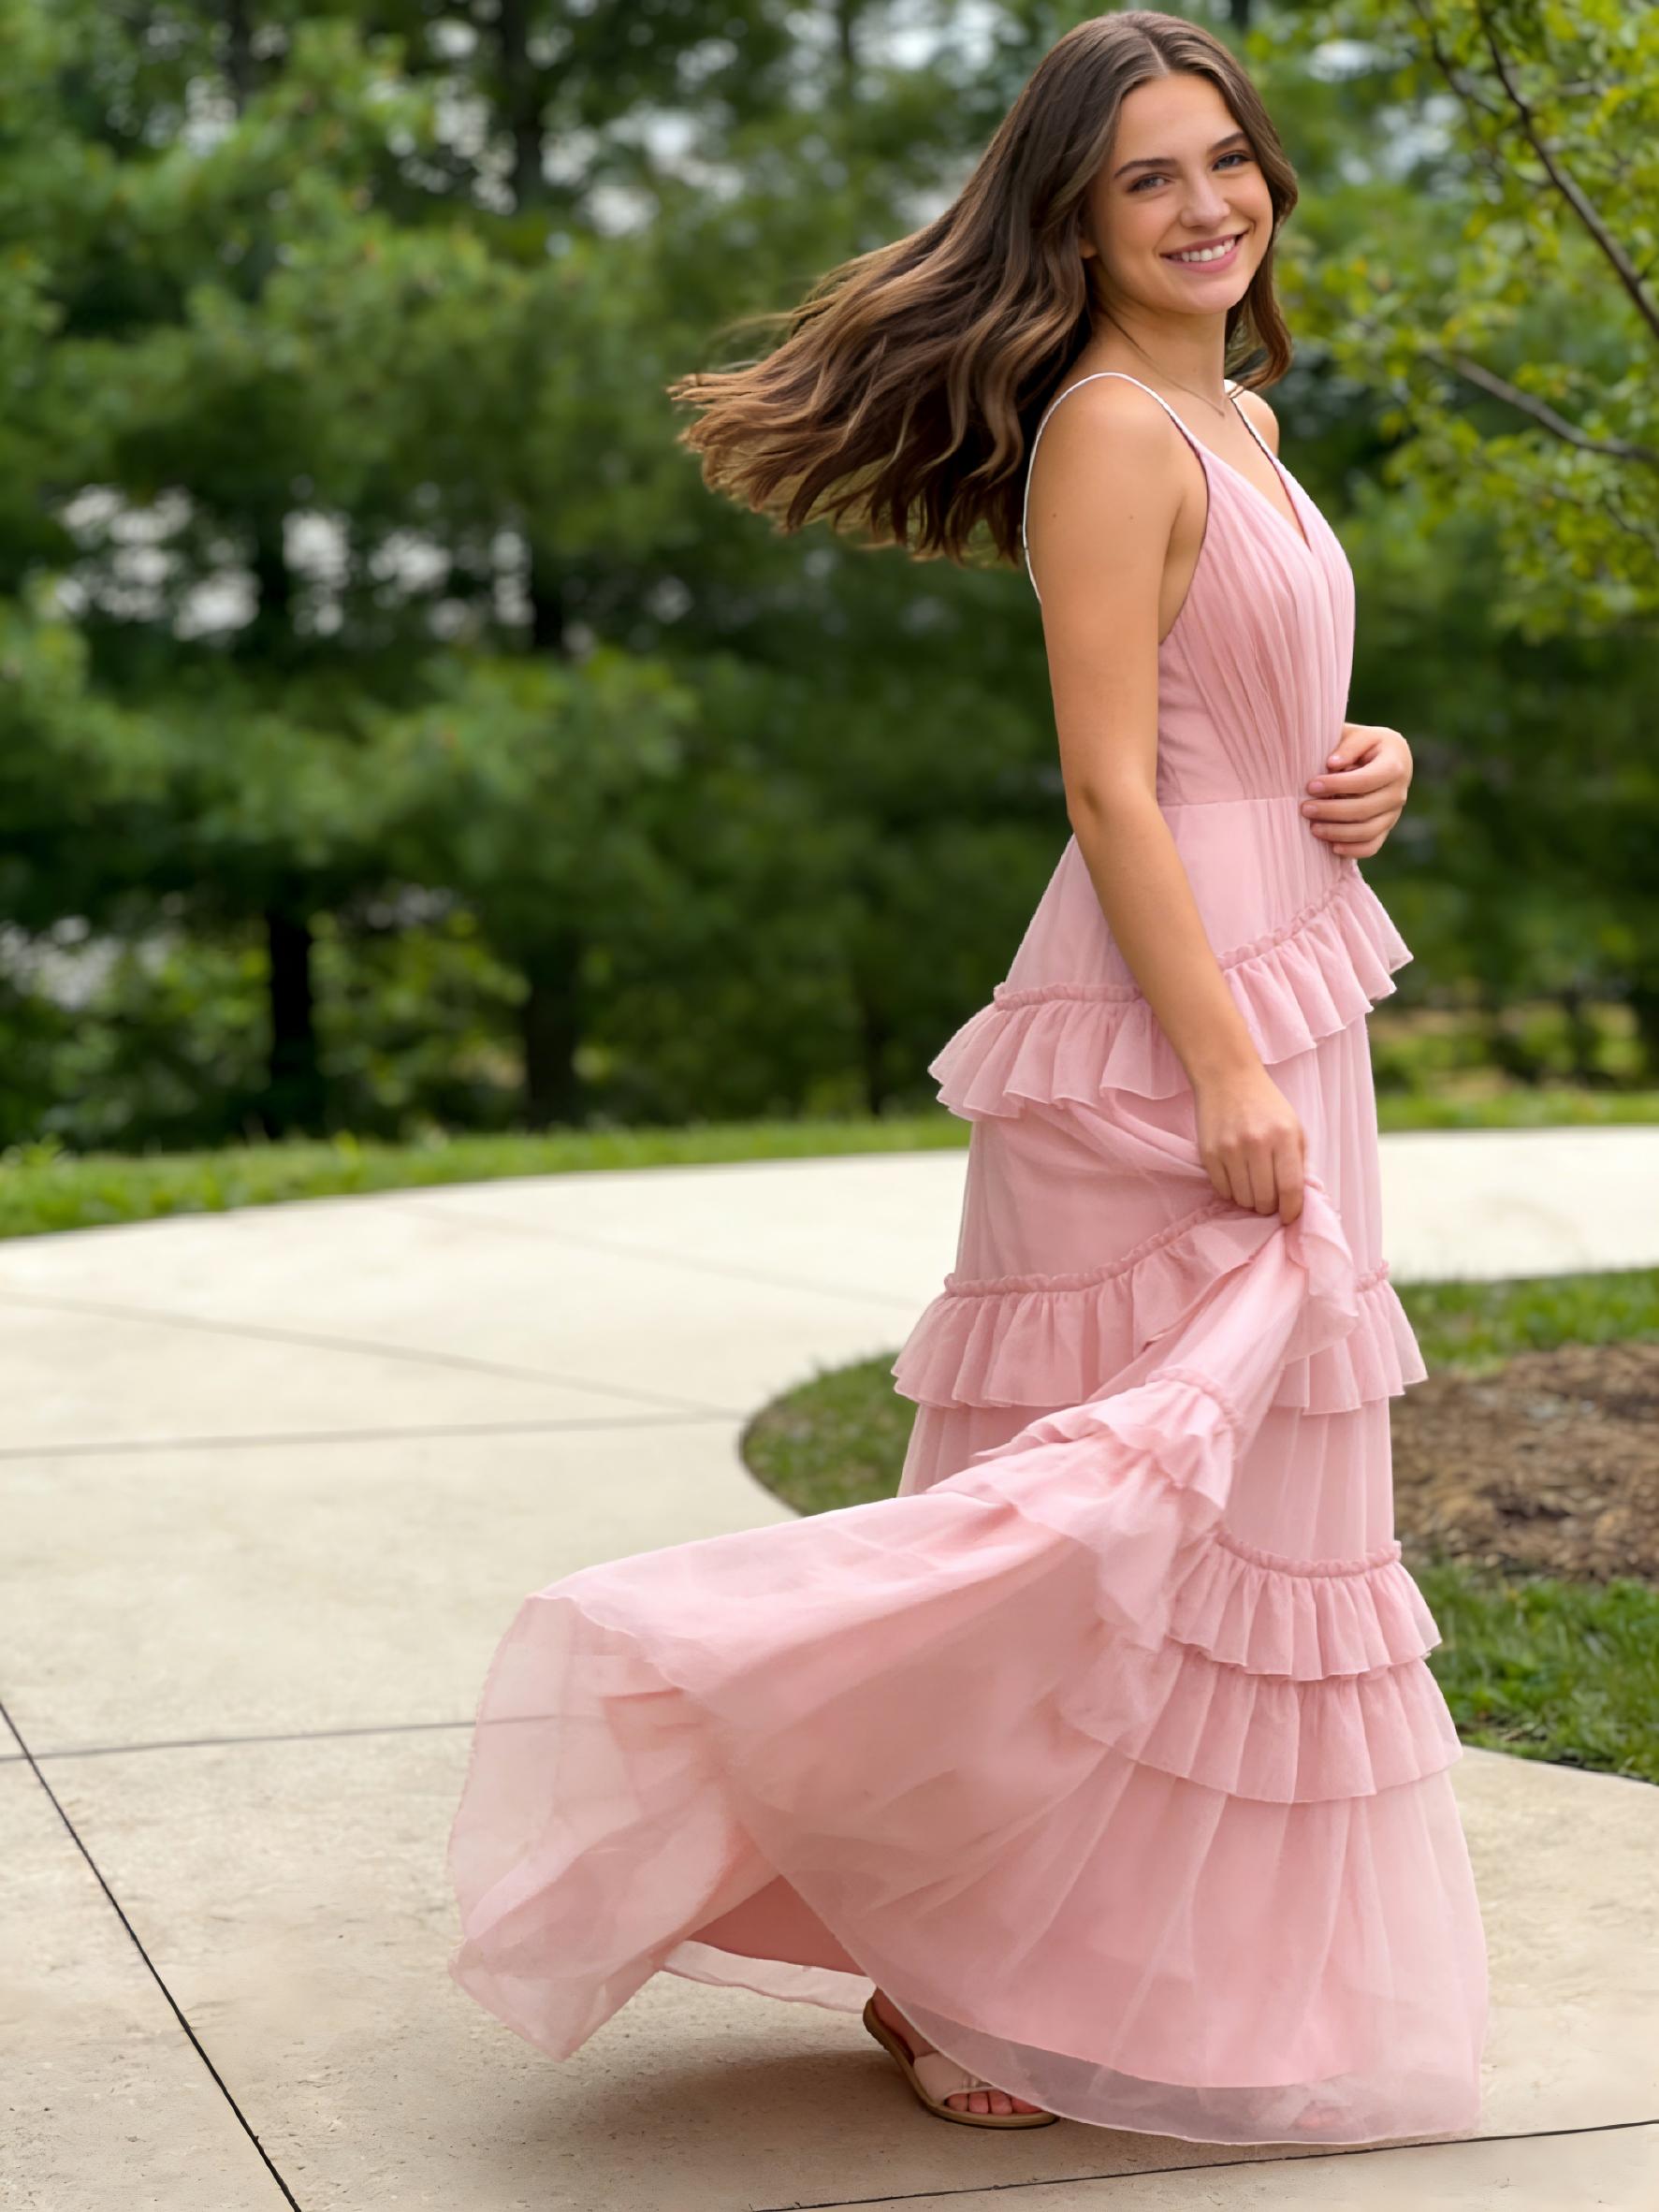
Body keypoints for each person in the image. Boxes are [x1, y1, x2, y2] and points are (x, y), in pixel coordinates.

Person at [446, 9, 1489, 2141]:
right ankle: (948, 1973)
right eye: (1145, 179)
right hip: (1166, 1002)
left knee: (1241, 1503)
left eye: (1227, 161)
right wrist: (1217, 1066)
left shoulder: (1251, 429)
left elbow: (1242, 708)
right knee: (1082, 1499)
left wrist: (1364, 768)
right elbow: (1106, 783)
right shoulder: (1105, 430)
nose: (1205, 206)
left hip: (1280, 948)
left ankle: (1049, 1969)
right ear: (1073, 223)